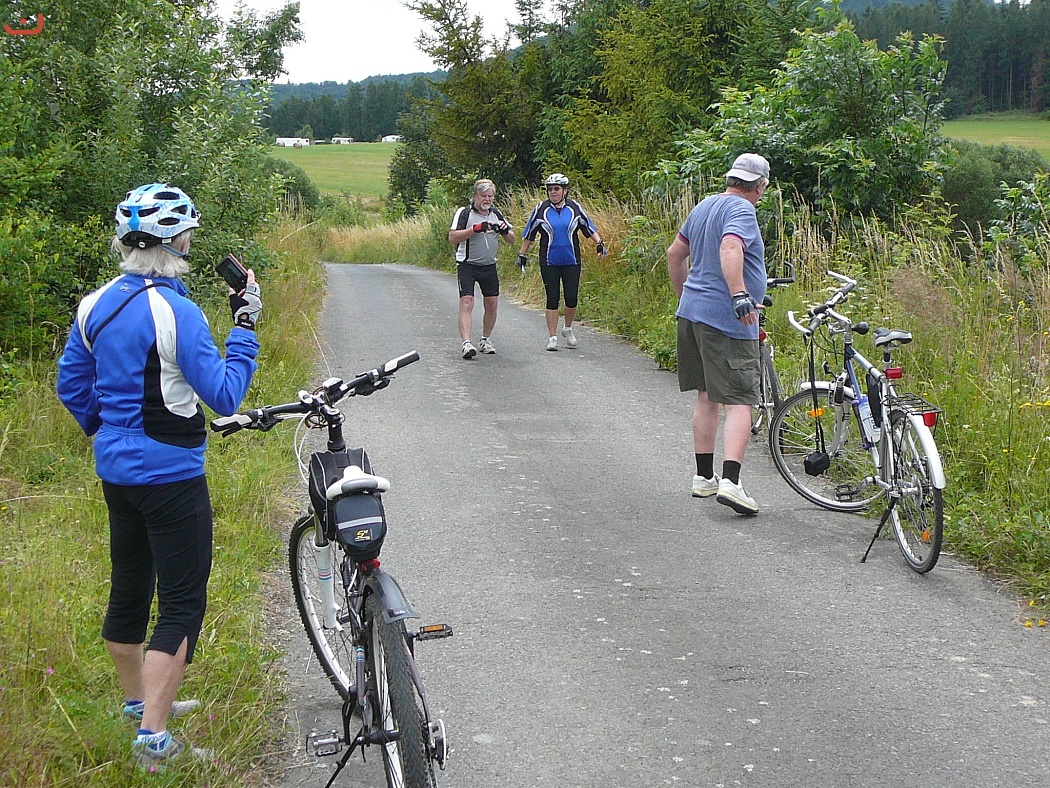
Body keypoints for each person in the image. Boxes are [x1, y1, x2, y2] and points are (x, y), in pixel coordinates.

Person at [56, 183, 263, 766]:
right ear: (177, 242)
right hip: (172, 475)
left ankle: (138, 703)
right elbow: (224, 395)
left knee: (129, 584)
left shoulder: (94, 304)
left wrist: (109, 431)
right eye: (189, 234)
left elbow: (71, 385)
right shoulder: (178, 311)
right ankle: (154, 739)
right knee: (180, 603)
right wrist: (245, 326)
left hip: (117, 474)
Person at [666, 153, 771, 515]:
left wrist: (685, 296)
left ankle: (703, 477)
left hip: (692, 315)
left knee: (707, 396)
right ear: (760, 186)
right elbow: (730, 246)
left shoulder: (704, 206)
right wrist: (739, 294)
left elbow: (675, 254)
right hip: (727, 320)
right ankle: (732, 483)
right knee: (740, 400)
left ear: (731, 178)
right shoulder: (742, 210)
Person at [517, 173, 606, 351]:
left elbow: (588, 227)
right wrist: (522, 254)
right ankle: (552, 337)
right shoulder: (541, 209)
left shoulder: (574, 208)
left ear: (565, 191)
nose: (553, 192)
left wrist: (599, 243)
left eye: (556, 189)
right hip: (549, 260)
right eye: (550, 189)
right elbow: (529, 233)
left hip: (571, 260)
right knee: (552, 297)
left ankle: (568, 328)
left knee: (571, 297)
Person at [448, 179, 515, 359]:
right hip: (467, 264)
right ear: (474, 196)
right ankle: (466, 343)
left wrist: (504, 231)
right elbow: (453, 237)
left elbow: (512, 239)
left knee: (492, 304)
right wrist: (475, 229)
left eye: (490, 196)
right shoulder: (464, 213)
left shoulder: (496, 213)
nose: (487, 199)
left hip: (489, 265)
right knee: (467, 301)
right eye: (483, 196)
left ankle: (485, 339)